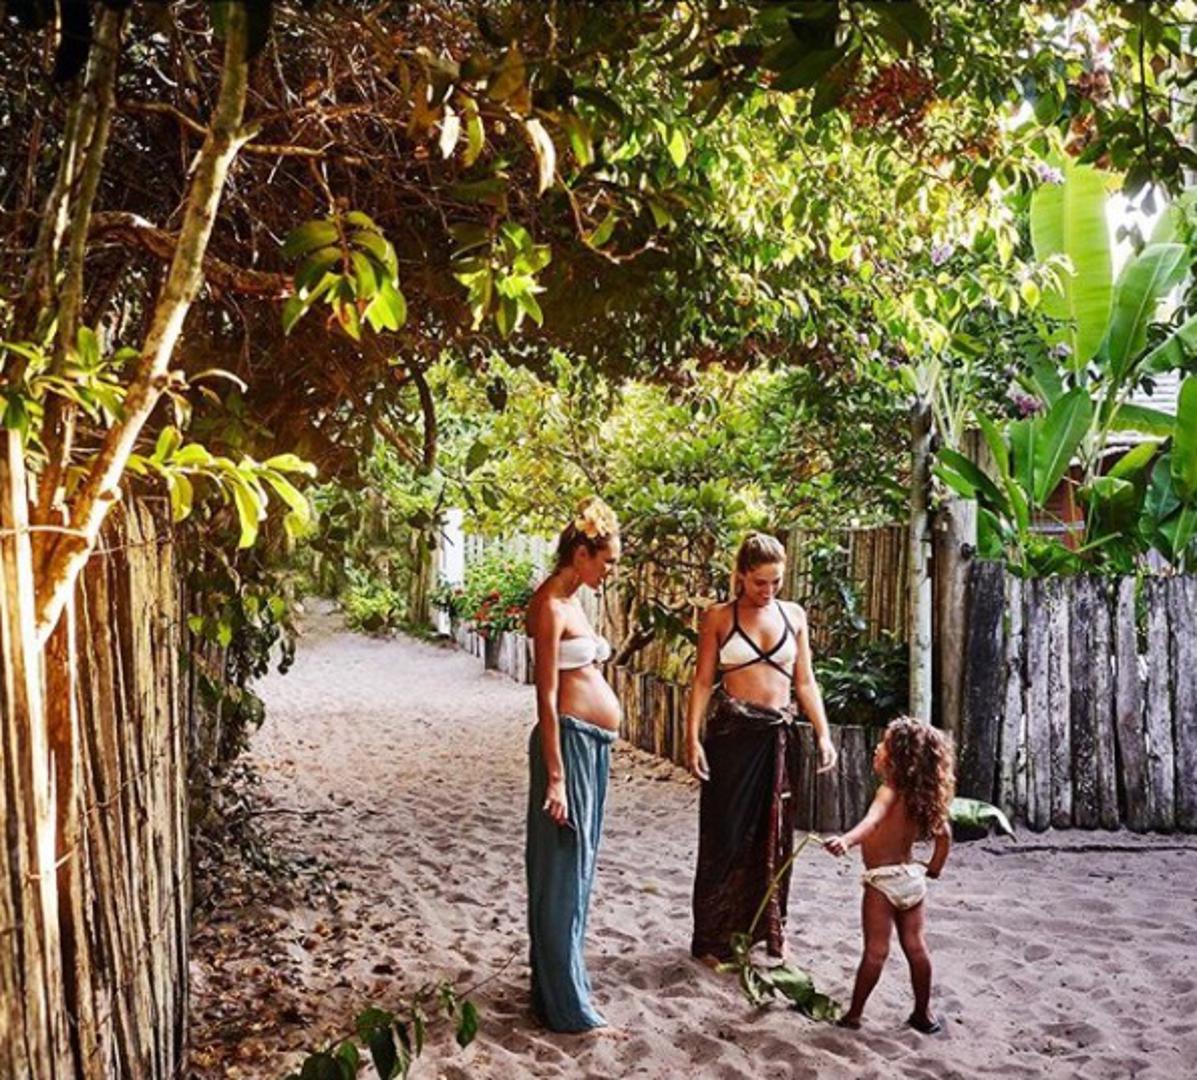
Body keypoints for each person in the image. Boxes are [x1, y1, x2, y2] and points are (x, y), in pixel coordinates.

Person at [686, 531, 838, 965]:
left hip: (779, 737)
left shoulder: (794, 616)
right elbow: (703, 681)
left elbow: (805, 681)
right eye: (759, 582)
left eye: (775, 581)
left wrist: (823, 733)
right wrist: (692, 737)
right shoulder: (719, 617)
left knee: (776, 838)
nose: (767, 590)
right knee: (726, 835)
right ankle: (714, 938)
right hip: (733, 739)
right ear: (740, 575)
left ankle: (769, 931)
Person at [524, 496, 622, 1033]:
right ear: (581, 553)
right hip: (567, 745)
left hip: (591, 744)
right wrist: (556, 777)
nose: (610, 572)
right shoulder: (549, 606)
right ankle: (567, 1007)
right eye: (607, 561)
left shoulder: (575, 601)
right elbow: (545, 695)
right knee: (562, 870)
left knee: (579, 870)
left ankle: (562, 990)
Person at [824, 717, 955, 1034]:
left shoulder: (888, 792)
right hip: (912, 879)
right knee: (916, 948)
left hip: (882, 882)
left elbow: (872, 822)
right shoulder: (922, 798)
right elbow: (945, 836)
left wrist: (847, 841)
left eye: (884, 744)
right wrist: (934, 868)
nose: (877, 748)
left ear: (898, 759)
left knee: (875, 952)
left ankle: (854, 1015)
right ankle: (923, 1015)